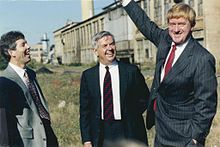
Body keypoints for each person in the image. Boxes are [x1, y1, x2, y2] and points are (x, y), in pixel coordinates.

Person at [120, 0, 218, 146]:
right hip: (161, 131)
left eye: (181, 24)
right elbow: (145, 24)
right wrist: (127, 2)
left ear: (192, 25)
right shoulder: (165, 40)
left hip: (184, 137)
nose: (176, 29)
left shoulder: (202, 59)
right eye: (172, 24)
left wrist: (195, 139)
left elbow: (206, 105)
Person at [79, 31, 150, 147]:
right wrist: (87, 139)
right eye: (105, 46)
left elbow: (144, 98)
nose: (110, 48)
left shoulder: (131, 71)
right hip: (101, 133)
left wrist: (131, 114)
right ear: (95, 51)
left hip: (129, 131)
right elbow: (85, 111)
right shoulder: (89, 76)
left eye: (112, 44)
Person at [0, 31, 58, 147]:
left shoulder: (31, 74)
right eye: (23, 44)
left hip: (47, 134)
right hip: (28, 142)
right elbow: (5, 125)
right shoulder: (5, 82)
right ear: (12, 52)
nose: (28, 47)